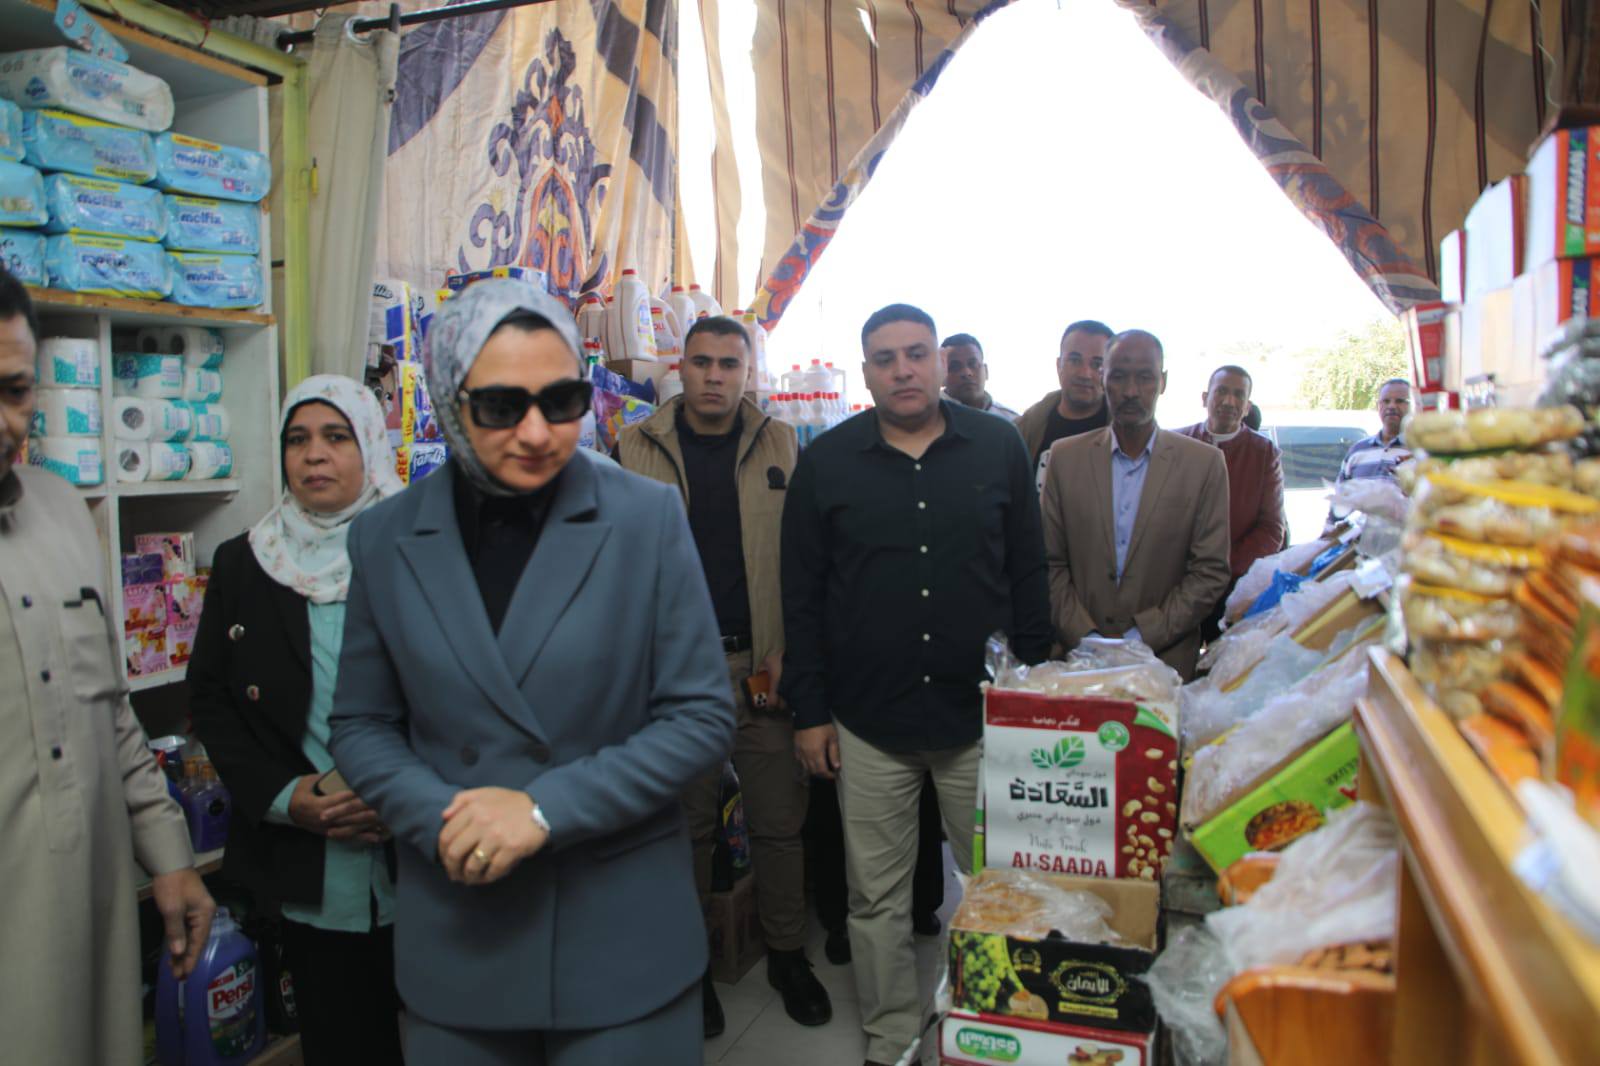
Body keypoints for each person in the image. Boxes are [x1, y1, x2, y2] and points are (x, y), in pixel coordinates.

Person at [327, 279, 736, 1065]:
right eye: (500, 407)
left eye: (562, 400)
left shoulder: (645, 518)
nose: (539, 432)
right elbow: (362, 723)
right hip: (460, 929)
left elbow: (701, 718)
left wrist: (544, 810)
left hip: (617, 935)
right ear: (450, 400)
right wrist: (445, 819)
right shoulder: (384, 538)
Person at [782, 303, 1053, 1066]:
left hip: (980, 715)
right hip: (868, 720)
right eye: (885, 358)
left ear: (939, 361)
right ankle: (891, 1039)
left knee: (999, 885)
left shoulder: (998, 446)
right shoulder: (827, 462)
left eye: (916, 353)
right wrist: (810, 712)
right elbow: (801, 596)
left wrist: (1030, 686)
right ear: (865, 373)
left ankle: (1002, 1030)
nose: (902, 369)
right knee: (875, 900)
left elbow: (1029, 571)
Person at [0, 266, 216, 1064]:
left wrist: (169, 857)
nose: (4, 421)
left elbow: (110, 708)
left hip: (94, 934)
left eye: (15, 390)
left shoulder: (62, 509)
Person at [614, 315, 829, 1035]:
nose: (714, 376)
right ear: (680, 366)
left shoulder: (782, 443)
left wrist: (793, 650)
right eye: (701, 362)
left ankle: (788, 955)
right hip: (674, 672)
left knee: (779, 824)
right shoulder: (632, 448)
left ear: (748, 371)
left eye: (728, 364)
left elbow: (810, 561)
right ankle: (690, 970)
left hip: (762, 666)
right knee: (686, 830)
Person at [188, 375, 405, 1064]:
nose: (314, 455)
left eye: (336, 437)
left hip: (423, 850)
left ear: (370, 446)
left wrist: (407, 793)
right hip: (308, 860)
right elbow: (211, 698)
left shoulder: (419, 551)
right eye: (297, 439)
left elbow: (468, 691)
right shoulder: (246, 562)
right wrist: (286, 798)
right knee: (342, 1041)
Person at [1040, 330, 1231, 681]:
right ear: (1103, 379)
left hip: (1164, 667)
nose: (1130, 391)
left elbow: (1209, 572)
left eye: (1144, 377)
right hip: (1077, 665)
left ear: (1162, 382)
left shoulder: (1203, 464)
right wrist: (1087, 638)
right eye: (1118, 376)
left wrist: (1140, 639)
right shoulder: (1065, 459)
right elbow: (1049, 563)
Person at [1175, 366, 1286, 641]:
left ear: (1247, 407)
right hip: (1175, 586)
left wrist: (1223, 569)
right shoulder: (1175, 443)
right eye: (1221, 391)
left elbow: (1272, 528)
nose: (1228, 401)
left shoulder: (1264, 453)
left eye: (1238, 395)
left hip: (1232, 590)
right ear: (1205, 397)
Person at [1016, 319, 1114, 471]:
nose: (1085, 374)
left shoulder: (1126, 435)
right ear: (1058, 366)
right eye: (1075, 360)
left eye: (1097, 364)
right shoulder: (1023, 430)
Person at [1336, 378, 1414, 485]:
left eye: (1399, 401)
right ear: (1378, 406)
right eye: (1386, 401)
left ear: (1414, 407)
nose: (1391, 406)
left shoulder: (1420, 452)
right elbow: (1341, 492)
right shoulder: (1357, 451)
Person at [940, 333, 1019, 420]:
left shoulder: (1011, 421)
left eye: (973, 364)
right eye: (955, 367)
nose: (966, 373)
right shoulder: (931, 417)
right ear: (941, 374)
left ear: (986, 371)